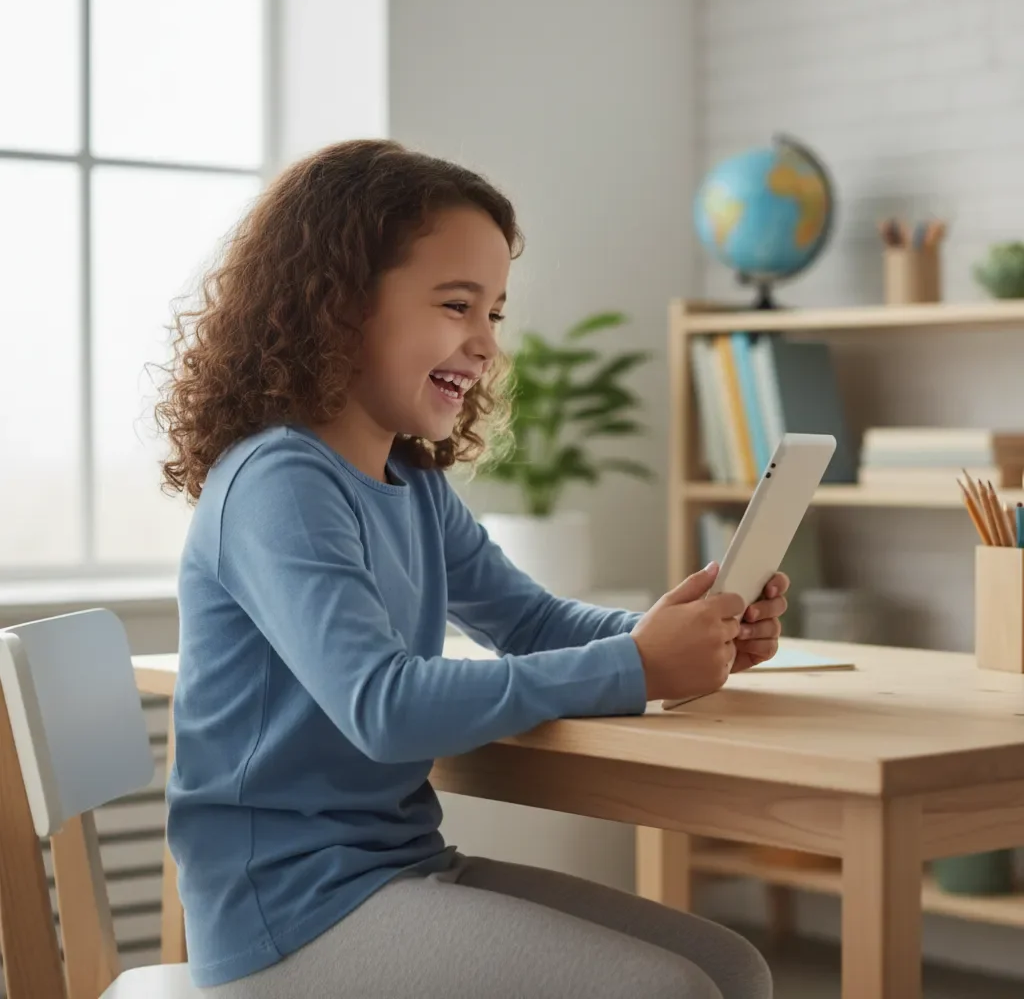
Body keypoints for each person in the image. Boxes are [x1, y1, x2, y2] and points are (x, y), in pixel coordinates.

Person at [156, 139, 786, 998]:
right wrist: (638, 664)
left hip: (399, 869)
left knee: (733, 970)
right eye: (458, 305)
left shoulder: (409, 481)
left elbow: (528, 622)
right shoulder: (278, 482)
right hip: (287, 916)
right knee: (665, 991)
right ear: (336, 305)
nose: (485, 343)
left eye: (494, 312)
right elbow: (385, 707)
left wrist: (679, 632)